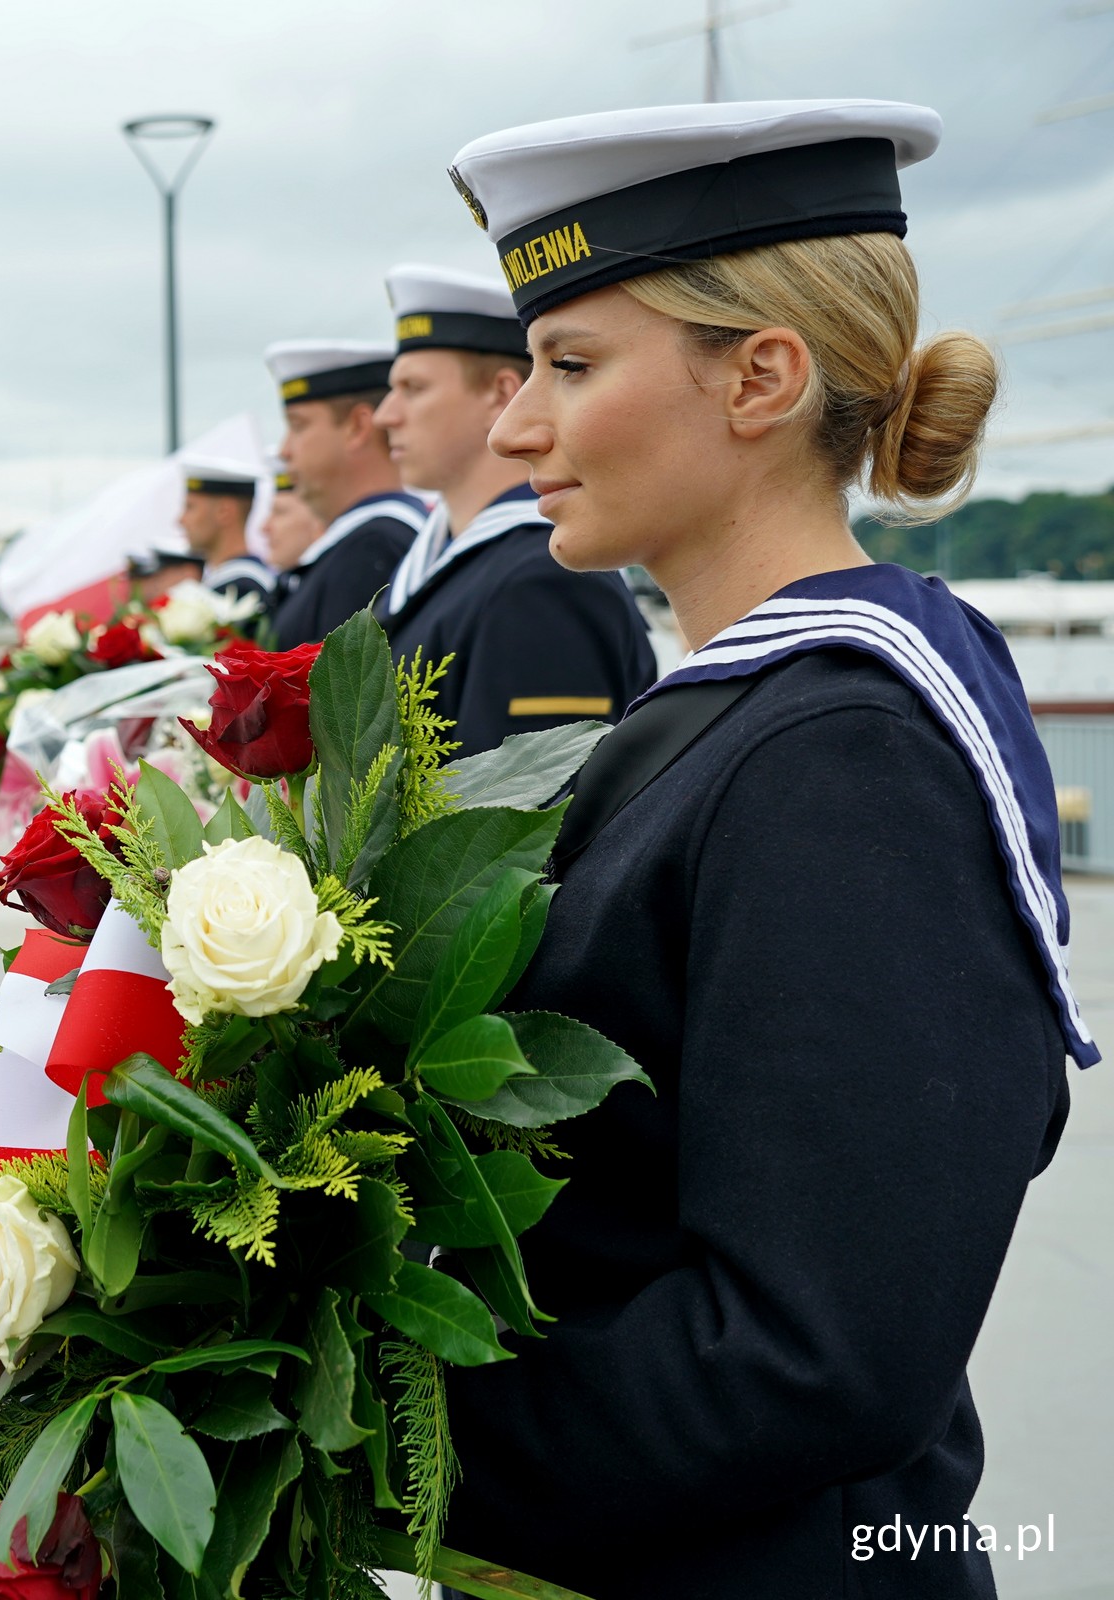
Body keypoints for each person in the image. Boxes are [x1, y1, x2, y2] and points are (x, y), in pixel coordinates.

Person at [438, 100, 1084, 1599]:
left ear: (763, 379)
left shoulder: (841, 759)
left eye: (572, 365)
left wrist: (390, 1445)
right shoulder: (746, 716)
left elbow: (812, 1352)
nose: (515, 424)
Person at [373, 263, 655, 755]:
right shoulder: (451, 564)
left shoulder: (544, 578)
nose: (385, 415)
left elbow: (529, 820)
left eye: (413, 389)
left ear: (499, 394)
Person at [262, 339, 427, 649]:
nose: (284, 451)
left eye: (298, 426)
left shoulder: (374, 546)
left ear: (357, 427)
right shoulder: (363, 542)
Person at [174, 455, 274, 611]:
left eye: (190, 507)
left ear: (225, 512)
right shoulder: (227, 581)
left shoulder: (244, 588)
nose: (180, 520)